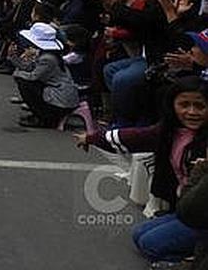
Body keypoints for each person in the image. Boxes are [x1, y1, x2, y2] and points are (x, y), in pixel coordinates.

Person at [76, 77, 208, 264]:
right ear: (172, 105)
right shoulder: (170, 131)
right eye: (184, 104)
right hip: (188, 208)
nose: (191, 112)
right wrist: (93, 138)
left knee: (150, 244)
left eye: (200, 106)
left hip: (202, 212)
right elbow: (136, 137)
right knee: (140, 234)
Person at [10, 15, 79, 127]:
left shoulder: (48, 58)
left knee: (25, 83)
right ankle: (40, 114)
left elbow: (33, 76)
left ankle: (44, 118)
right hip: (57, 94)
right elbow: (29, 67)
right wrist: (14, 58)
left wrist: (17, 73)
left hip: (60, 100)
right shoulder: (47, 55)